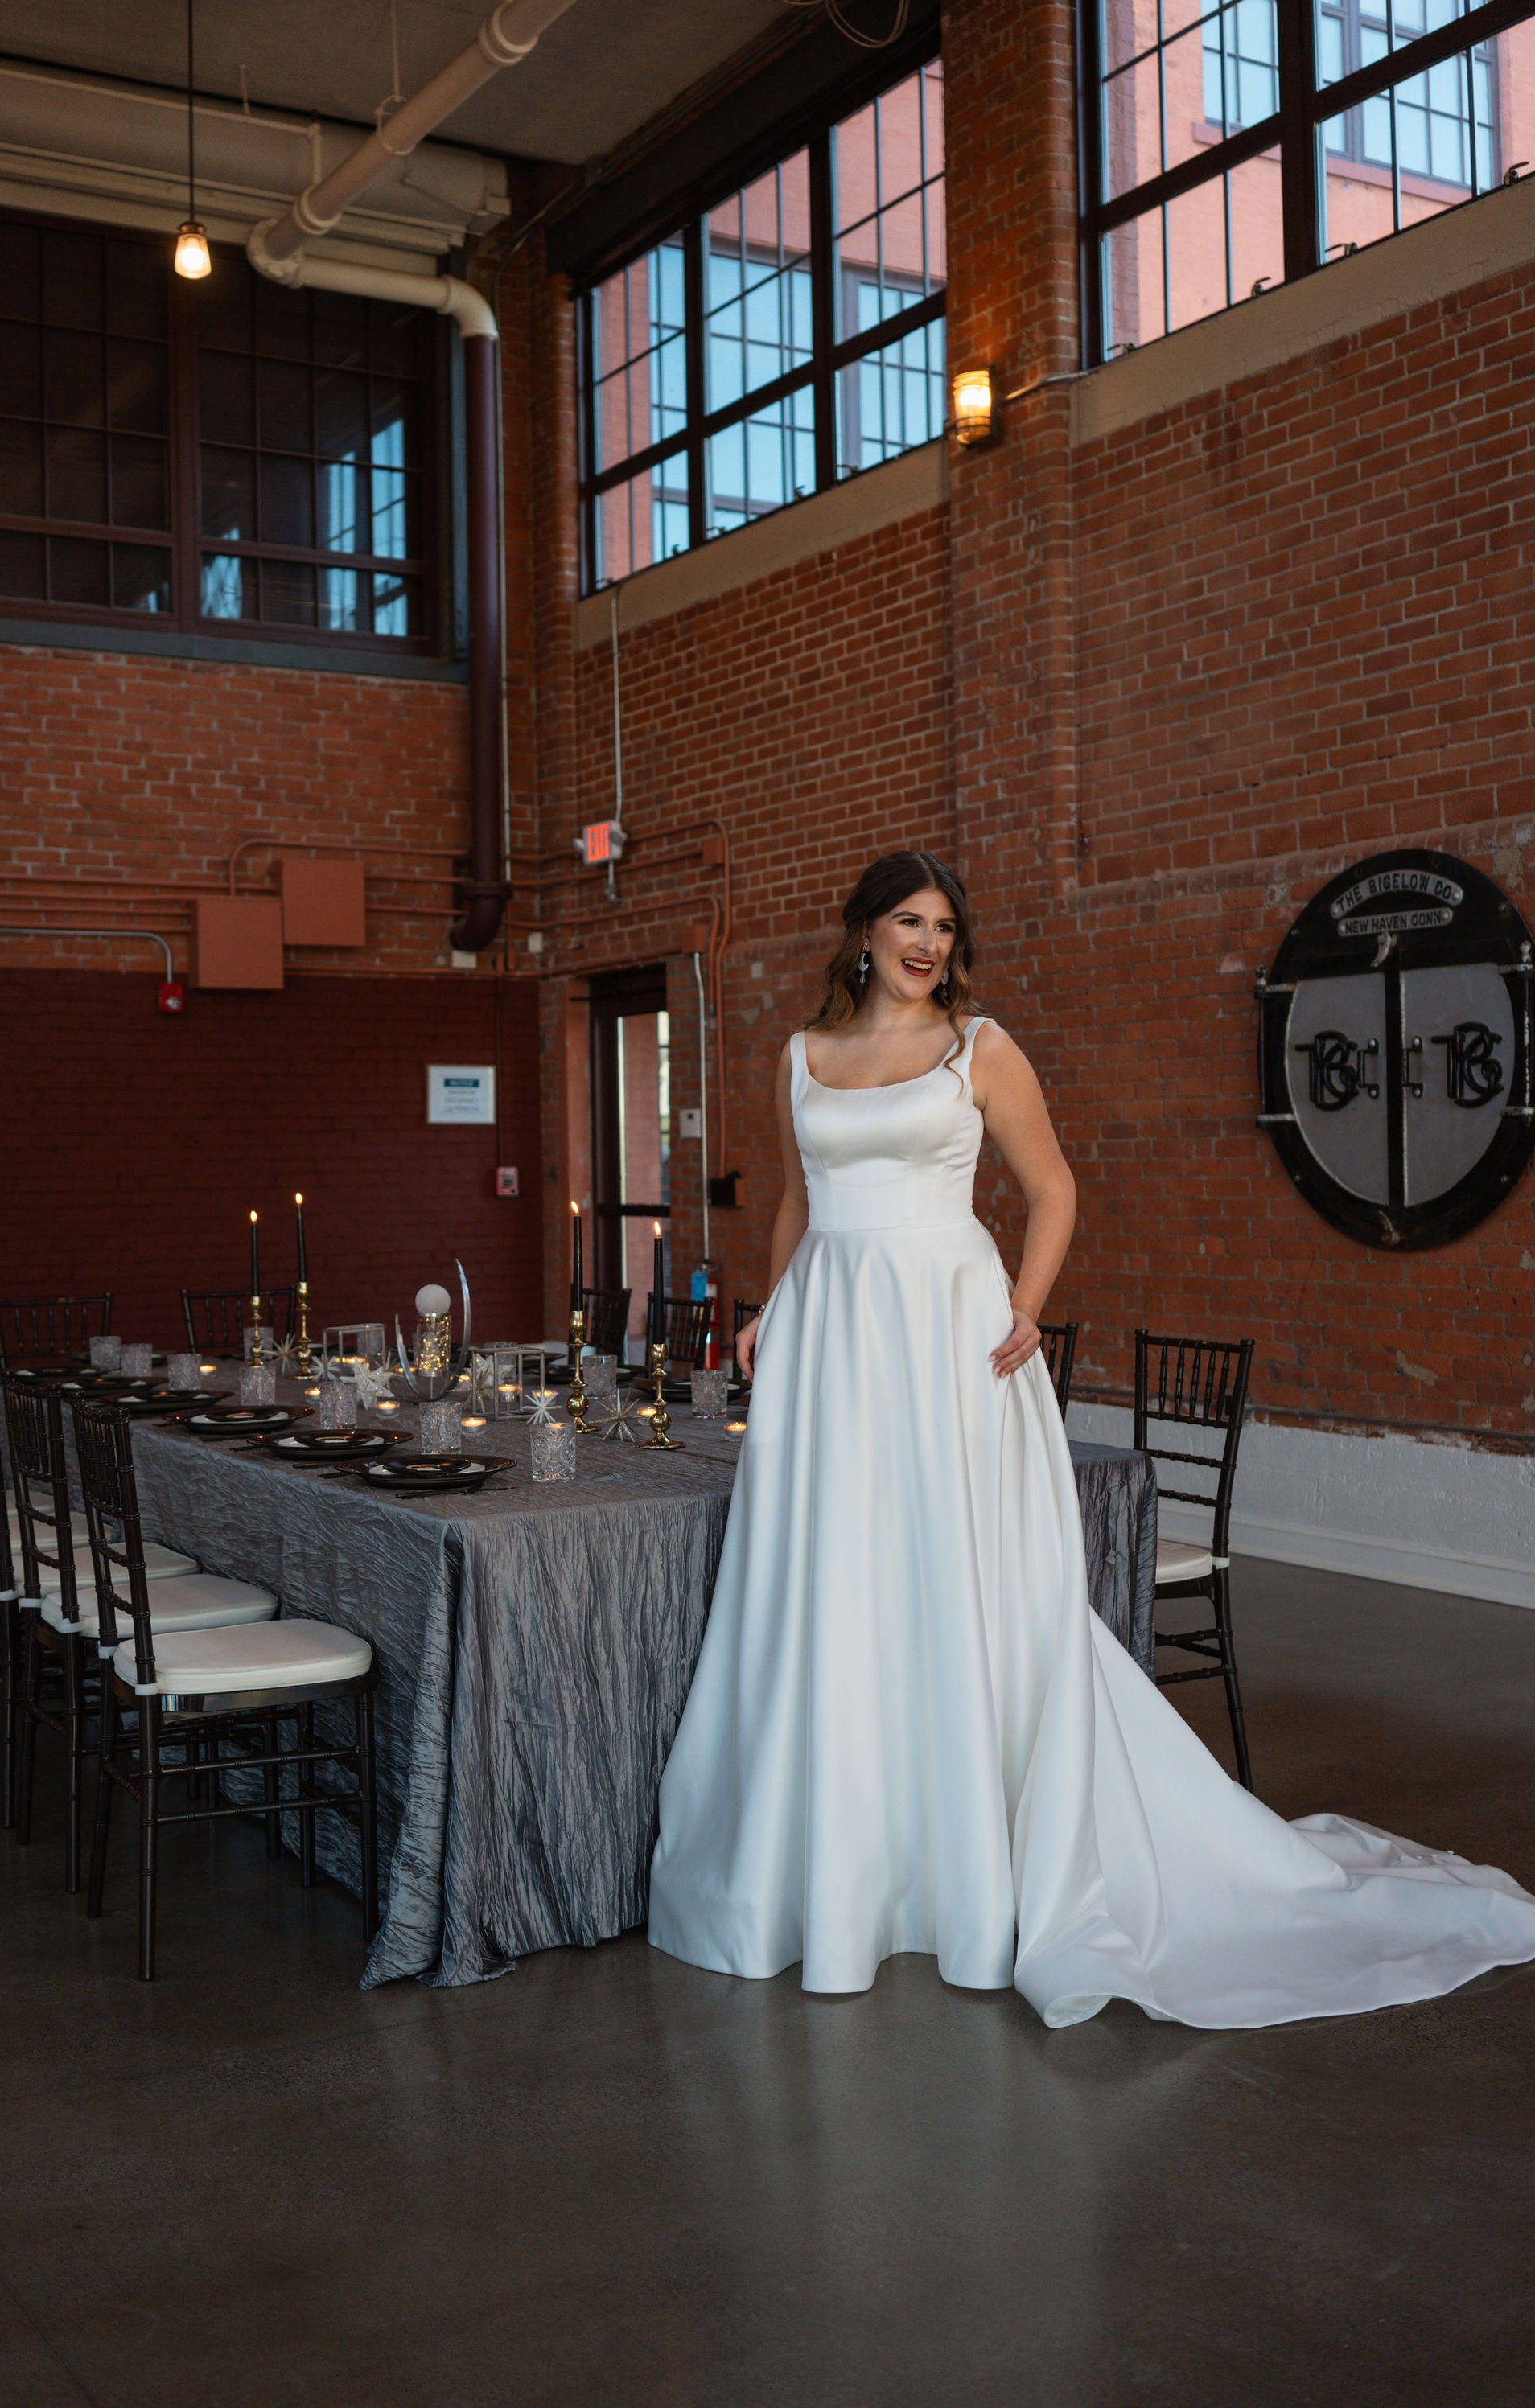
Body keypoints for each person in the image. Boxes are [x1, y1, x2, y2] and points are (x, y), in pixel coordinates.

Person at [647, 851, 1535, 2026]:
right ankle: (842, 1868)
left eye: (946, 927)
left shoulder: (982, 1047)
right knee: (833, 1583)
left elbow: (1055, 1186)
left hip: (947, 1337)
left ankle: (972, 1875)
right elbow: (799, 1201)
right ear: (862, 931)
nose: (927, 942)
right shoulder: (801, 1057)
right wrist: (770, 1305)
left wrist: (1024, 1303)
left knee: (960, 1580)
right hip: (830, 1343)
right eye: (908, 920)